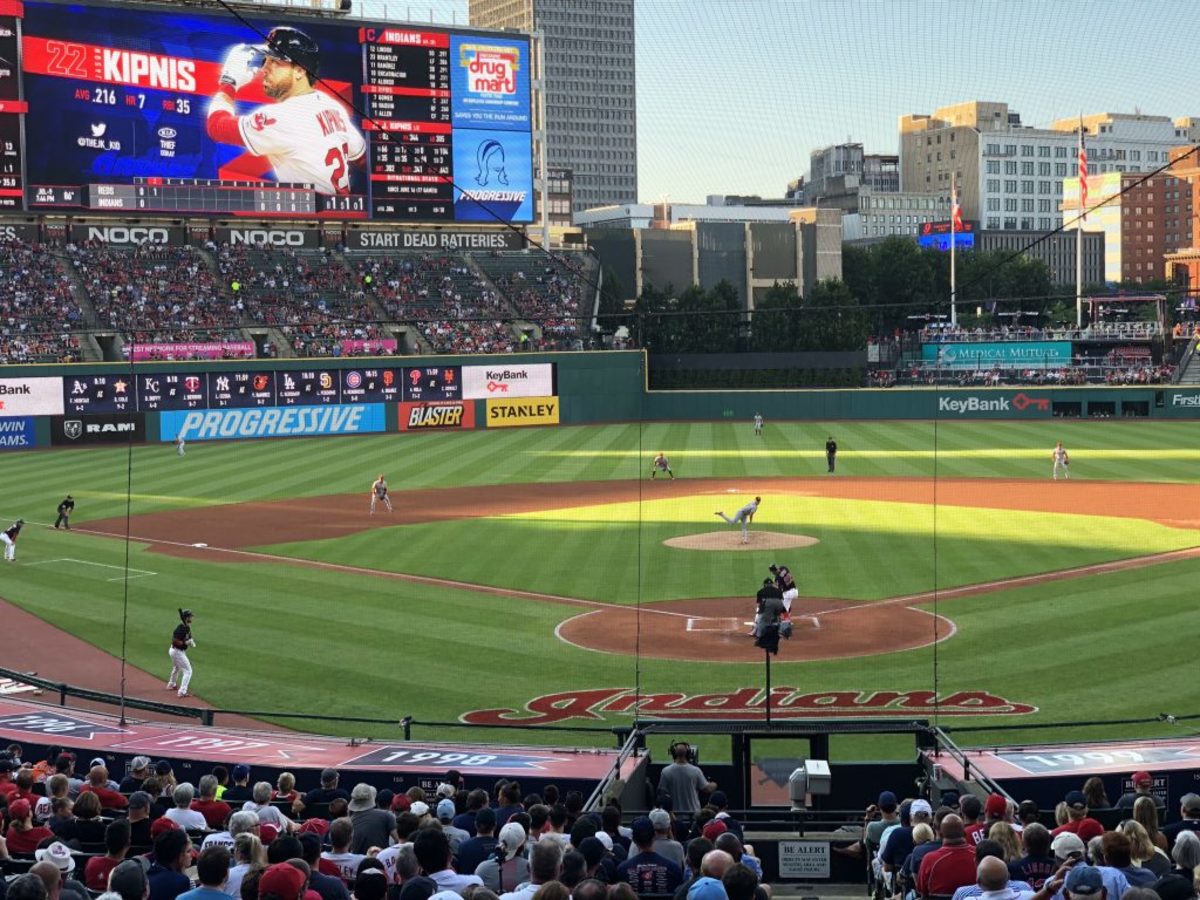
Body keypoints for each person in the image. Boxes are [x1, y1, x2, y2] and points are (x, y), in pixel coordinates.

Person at [205, 27, 365, 196]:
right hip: (341, 213)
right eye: (265, 60)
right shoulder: (332, 107)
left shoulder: (283, 117)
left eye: (275, 62)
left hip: (311, 216)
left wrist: (229, 82)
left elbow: (216, 127)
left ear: (300, 71)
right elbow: (362, 158)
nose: (264, 69)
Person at [658, 743, 716, 817]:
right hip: (694, 815)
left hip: (674, 816)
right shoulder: (696, 771)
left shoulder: (665, 771)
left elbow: (661, 793)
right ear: (688, 754)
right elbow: (708, 789)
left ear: (674, 754)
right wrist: (714, 784)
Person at [167, 609, 196, 698]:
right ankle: (182, 691)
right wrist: (185, 643)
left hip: (176, 651)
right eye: (190, 616)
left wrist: (191, 641)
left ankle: (171, 684)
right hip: (177, 651)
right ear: (186, 618)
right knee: (188, 671)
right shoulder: (180, 629)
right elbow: (175, 641)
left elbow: (188, 636)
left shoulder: (186, 627)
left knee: (177, 667)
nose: (191, 618)